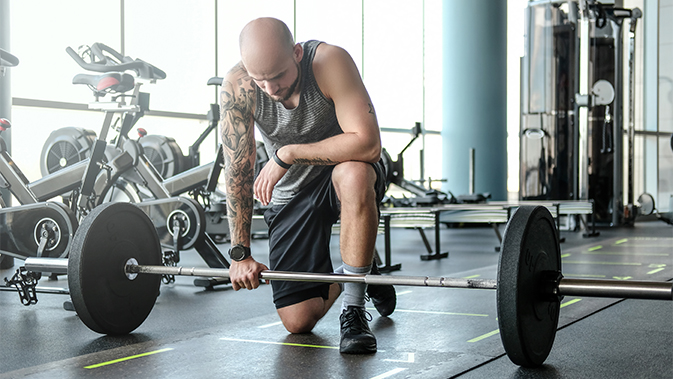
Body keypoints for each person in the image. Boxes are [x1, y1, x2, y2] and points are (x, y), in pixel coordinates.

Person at [219, 17, 396, 354]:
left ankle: (354, 310)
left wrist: (289, 153)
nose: (271, 89)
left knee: (353, 173)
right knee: (298, 321)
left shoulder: (329, 62)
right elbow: (237, 169)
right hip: (293, 192)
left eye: (279, 76)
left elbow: (368, 143)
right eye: (261, 80)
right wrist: (240, 254)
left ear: (297, 53)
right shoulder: (238, 86)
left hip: (346, 172)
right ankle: (362, 265)